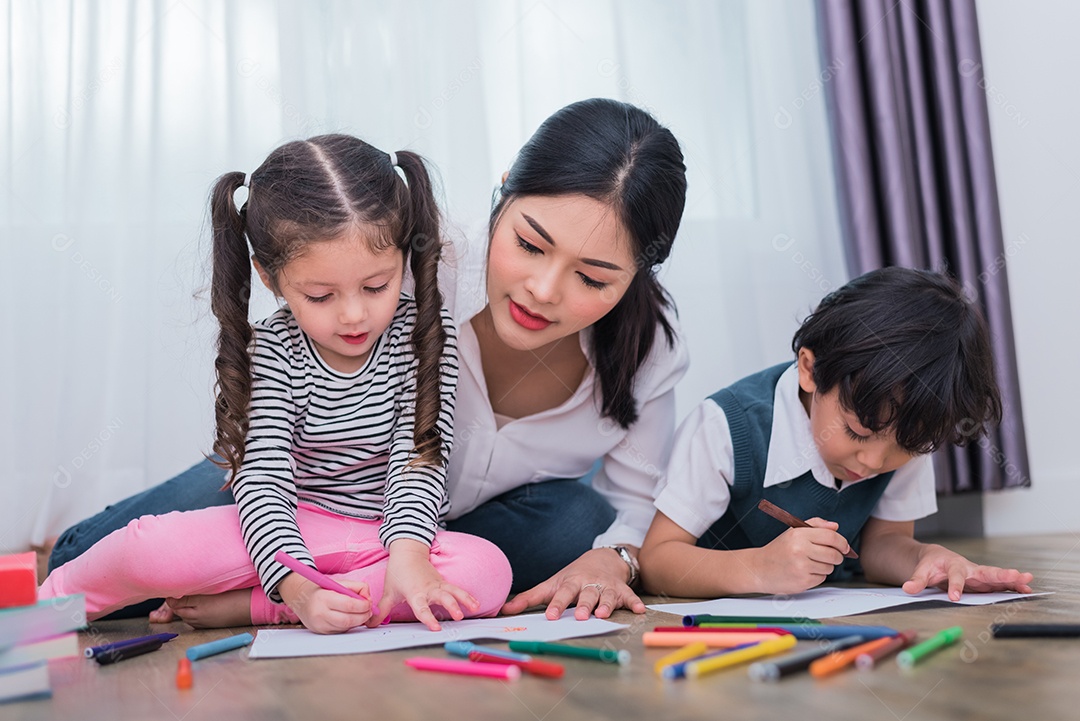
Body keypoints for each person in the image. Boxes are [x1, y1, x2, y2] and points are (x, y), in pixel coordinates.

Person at [49, 98, 690, 625]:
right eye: (529, 245)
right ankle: (252, 583)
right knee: (105, 564)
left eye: (594, 278)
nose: (544, 291)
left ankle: (269, 599)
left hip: (431, 523)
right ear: (502, 194)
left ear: (636, 275)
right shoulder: (405, 272)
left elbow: (634, 502)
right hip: (302, 482)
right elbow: (269, 462)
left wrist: (617, 560)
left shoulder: (648, 350)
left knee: (575, 521)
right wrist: (290, 572)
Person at [41, 134, 511, 633]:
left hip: (391, 537)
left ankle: (258, 607)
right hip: (290, 530)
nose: (354, 315)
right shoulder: (273, 350)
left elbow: (417, 460)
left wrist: (411, 554)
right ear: (269, 277)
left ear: (403, 257)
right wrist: (297, 584)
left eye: (377, 286)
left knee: (485, 571)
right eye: (321, 295)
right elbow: (263, 482)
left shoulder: (424, 332)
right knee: (147, 548)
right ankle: (37, 615)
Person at [638, 267, 1034, 600]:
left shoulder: (905, 431)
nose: (874, 462)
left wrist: (926, 559)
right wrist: (758, 569)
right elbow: (657, 561)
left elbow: (882, 545)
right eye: (858, 432)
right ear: (810, 370)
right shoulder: (725, 427)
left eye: (905, 447)